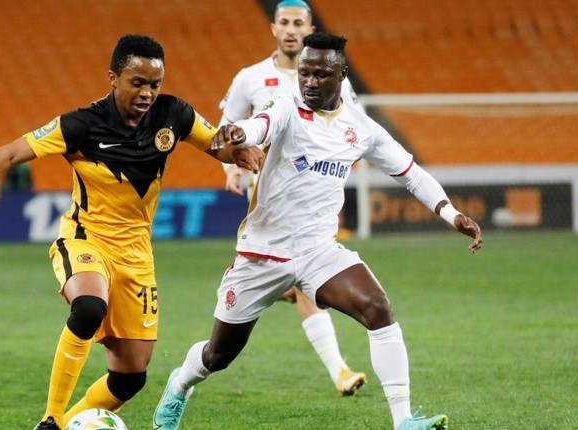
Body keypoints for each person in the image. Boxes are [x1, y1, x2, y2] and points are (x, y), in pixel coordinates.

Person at [0, 34, 262, 430]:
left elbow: (216, 146)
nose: (148, 93)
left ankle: (65, 424)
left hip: (136, 253)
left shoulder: (174, 115)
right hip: (84, 239)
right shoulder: (81, 125)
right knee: (88, 307)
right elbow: (12, 152)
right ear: (113, 78)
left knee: (131, 376)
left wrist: (238, 150)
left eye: (155, 84)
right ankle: (50, 419)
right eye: (137, 82)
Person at [153, 33, 482, 430]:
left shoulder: (361, 128)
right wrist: (239, 134)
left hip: (318, 252)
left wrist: (450, 213)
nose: (308, 81)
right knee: (218, 356)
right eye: (304, 72)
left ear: (341, 75)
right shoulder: (287, 108)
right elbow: (260, 123)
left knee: (378, 310)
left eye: (320, 74)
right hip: (262, 254)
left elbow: (411, 174)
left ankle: (404, 420)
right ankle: (180, 384)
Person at [217, 0, 367, 396]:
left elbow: (353, 123)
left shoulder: (334, 78)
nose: (290, 29)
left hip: (314, 194)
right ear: (273, 28)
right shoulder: (250, 78)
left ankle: (339, 371)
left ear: (309, 27)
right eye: (283, 22)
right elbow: (227, 126)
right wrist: (230, 167)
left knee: (303, 279)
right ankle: (336, 366)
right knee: (302, 279)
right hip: (268, 195)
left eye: (298, 22)